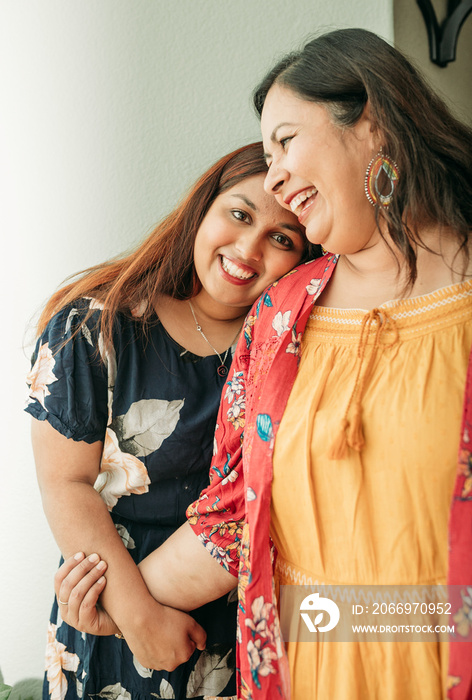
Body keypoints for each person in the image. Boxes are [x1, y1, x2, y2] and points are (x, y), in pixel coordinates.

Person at [52, 28, 472, 700]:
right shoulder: (281, 314)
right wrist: (119, 605)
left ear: (371, 120)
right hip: (310, 670)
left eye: (285, 141)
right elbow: (232, 520)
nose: (274, 174)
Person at [25, 141, 316, 700]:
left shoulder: (291, 352)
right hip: (110, 608)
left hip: (239, 634)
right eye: (239, 214)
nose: (249, 248)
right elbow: (66, 482)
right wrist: (137, 621)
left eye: (283, 239)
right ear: (202, 207)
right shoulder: (95, 326)